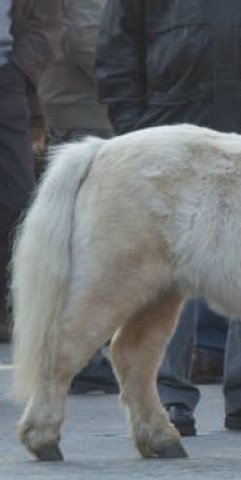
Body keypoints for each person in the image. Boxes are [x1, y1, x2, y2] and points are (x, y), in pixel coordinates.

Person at [96, 0, 241, 436]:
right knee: (166, 270)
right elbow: (118, 48)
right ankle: (167, 395)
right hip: (170, 134)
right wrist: (136, 129)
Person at [37, 0, 119, 394]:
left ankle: (83, 352)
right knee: (84, 245)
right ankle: (80, 356)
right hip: (87, 119)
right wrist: (141, 79)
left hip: (88, 115)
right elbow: (89, 42)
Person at [0, 0, 61, 343]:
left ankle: (11, 310)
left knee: (17, 204)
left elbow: (47, 20)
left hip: (7, 81)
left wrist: (20, 70)